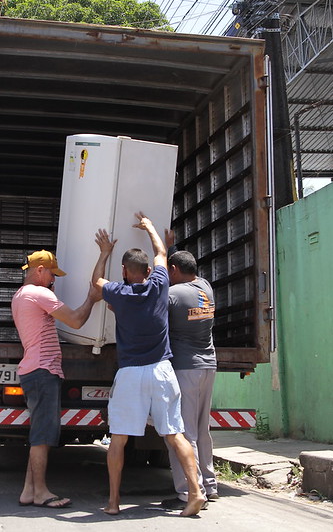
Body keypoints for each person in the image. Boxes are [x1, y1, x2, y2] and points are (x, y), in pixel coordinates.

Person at [92, 212, 205, 517]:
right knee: (174, 433)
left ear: (125, 271)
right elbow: (161, 253)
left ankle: (114, 502)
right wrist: (150, 227)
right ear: (149, 271)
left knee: (118, 438)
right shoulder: (159, 284)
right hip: (161, 370)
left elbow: (96, 281)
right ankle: (195, 493)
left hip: (131, 373)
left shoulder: (119, 292)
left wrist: (104, 253)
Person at [12, 249, 104, 509]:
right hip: (43, 371)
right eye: (52, 274)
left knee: (38, 434)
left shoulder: (20, 295)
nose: (54, 280)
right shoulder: (40, 293)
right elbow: (75, 321)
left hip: (34, 370)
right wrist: (92, 298)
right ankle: (41, 492)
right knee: (43, 436)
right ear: (40, 270)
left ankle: (29, 491)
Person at [160, 241, 220, 509]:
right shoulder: (205, 287)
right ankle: (210, 484)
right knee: (202, 430)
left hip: (186, 368)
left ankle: (189, 491)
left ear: (173, 270)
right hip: (209, 366)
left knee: (184, 433)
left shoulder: (172, 295)